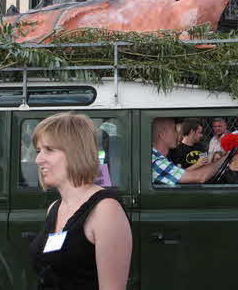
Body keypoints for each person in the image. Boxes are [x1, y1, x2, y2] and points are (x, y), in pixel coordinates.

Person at [29, 113, 131, 290]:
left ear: (75, 152)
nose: (38, 159)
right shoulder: (54, 208)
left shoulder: (105, 210)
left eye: (49, 150)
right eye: (38, 151)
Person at [152, 118, 223, 185]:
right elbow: (200, 177)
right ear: (162, 135)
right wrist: (225, 157)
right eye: (174, 130)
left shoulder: (201, 147)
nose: (177, 134)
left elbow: (205, 165)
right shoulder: (156, 162)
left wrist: (213, 157)